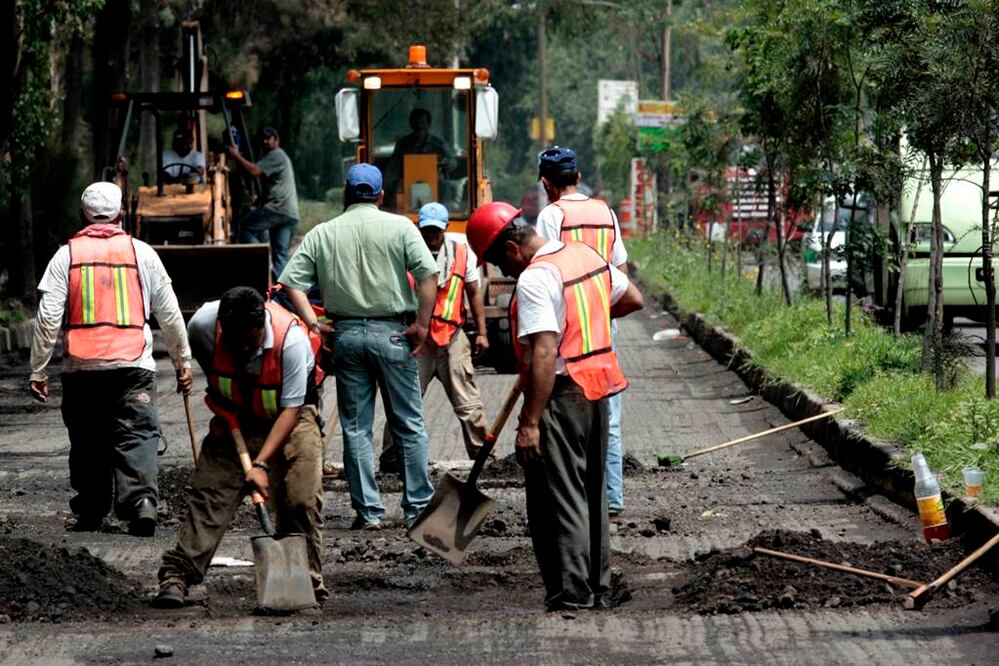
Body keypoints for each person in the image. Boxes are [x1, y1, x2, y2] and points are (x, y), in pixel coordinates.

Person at [466, 201, 644, 611]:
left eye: (499, 264)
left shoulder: (534, 279)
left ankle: (572, 594)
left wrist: (530, 422)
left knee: (559, 497)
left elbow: (544, 355)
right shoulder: (584, 255)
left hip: (562, 394)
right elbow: (633, 297)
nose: (505, 274)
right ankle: (596, 588)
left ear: (512, 251)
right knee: (592, 493)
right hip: (598, 389)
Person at [28, 182, 193, 537]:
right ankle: (142, 504)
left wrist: (38, 369)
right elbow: (170, 312)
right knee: (136, 434)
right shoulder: (142, 253)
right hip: (133, 365)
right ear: (122, 214)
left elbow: (47, 319)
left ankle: (91, 508)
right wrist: (183, 362)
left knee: (88, 438)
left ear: (81, 215)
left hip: (82, 367)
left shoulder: (66, 256)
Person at [279, 163, 438, 530]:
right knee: (409, 423)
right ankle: (417, 508)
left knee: (355, 427)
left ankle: (369, 512)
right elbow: (428, 276)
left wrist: (315, 323)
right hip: (393, 334)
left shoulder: (323, 233)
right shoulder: (400, 227)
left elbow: (291, 284)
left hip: (346, 337)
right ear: (381, 196)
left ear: (347, 194)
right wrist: (422, 326)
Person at [155, 287, 326, 608]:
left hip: (292, 418)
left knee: (300, 497)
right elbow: (216, 377)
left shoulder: (291, 341)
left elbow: (291, 409)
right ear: (222, 327)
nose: (244, 348)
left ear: (261, 322)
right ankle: (177, 574)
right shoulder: (203, 327)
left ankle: (305, 581)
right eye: (237, 342)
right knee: (210, 493)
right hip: (236, 415)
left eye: (251, 340)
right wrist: (227, 410)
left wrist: (260, 465)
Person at [535, 145, 630, 519]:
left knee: (565, 409)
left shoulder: (550, 215)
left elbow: (544, 271)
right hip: (604, 320)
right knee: (608, 408)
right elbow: (621, 268)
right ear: (577, 176)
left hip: (566, 327)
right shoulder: (605, 211)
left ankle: (573, 495)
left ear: (547, 183)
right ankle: (612, 496)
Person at [379, 202, 490, 473]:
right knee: (403, 400)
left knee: (467, 402)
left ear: (445, 229)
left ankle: (483, 456)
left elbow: (474, 292)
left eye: (436, 231)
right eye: (426, 230)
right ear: (419, 228)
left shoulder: (462, 254)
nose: (431, 235)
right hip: (418, 343)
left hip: (452, 337)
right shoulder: (406, 254)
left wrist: (482, 332)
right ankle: (392, 457)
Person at [227, 127, 300, 279]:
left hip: (277, 209)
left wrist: (236, 156)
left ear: (277, 140)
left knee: (245, 227)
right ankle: (281, 294)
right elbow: (271, 185)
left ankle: (260, 258)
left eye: (269, 138)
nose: (265, 142)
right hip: (289, 212)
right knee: (280, 255)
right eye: (263, 139)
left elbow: (254, 171)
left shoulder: (276, 155)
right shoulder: (277, 157)